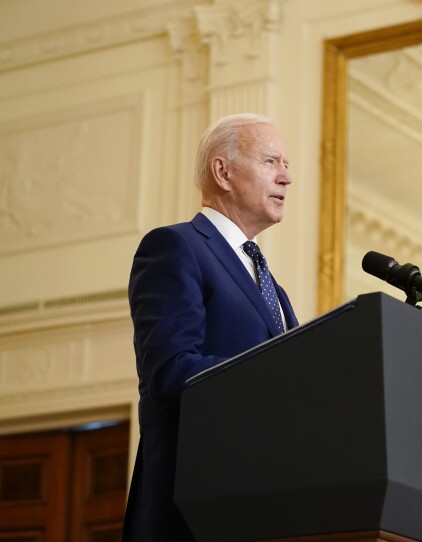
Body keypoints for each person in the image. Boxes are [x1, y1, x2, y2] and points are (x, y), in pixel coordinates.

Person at [122, 113, 299, 541]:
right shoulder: (175, 246)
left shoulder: (272, 286)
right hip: (192, 509)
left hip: (262, 507)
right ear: (223, 172)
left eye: (286, 165)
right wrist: (276, 377)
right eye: (271, 162)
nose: (286, 177)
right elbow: (170, 371)